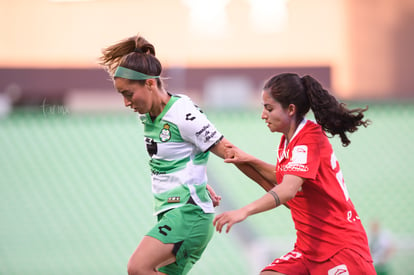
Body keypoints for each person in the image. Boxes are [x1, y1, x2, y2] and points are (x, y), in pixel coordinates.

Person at [99, 34, 272, 275]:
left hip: (188, 214)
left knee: (138, 268)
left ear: (149, 84)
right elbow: (182, 155)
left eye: (128, 94)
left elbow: (230, 152)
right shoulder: (147, 114)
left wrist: (277, 185)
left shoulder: (183, 113)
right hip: (171, 213)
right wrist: (198, 181)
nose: (126, 102)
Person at [213, 73, 376, 274]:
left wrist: (243, 211)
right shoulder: (289, 141)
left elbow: (288, 190)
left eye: (269, 108)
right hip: (308, 250)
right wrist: (250, 161)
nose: (263, 115)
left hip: (339, 248)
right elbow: (285, 180)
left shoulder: (309, 138)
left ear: (291, 109)